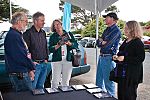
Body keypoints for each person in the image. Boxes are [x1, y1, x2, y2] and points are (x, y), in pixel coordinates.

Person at [112, 21, 145, 100]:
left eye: (127, 28)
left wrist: (125, 58)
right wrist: (116, 58)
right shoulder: (126, 41)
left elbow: (140, 58)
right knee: (121, 95)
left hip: (131, 75)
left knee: (129, 96)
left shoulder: (138, 42)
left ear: (133, 29)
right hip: (122, 74)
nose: (125, 30)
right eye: (125, 28)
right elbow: (122, 54)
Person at [4, 12, 35, 92]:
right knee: (27, 96)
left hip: (20, 72)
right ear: (19, 22)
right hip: (19, 73)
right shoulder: (13, 36)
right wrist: (31, 67)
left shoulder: (15, 34)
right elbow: (21, 56)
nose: (26, 24)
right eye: (25, 21)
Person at [96, 12, 121, 96]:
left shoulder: (116, 31)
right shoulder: (106, 29)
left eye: (106, 17)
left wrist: (102, 42)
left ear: (112, 19)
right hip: (102, 57)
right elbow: (98, 43)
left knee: (108, 83)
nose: (105, 19)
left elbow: (108, 45)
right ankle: (99, 96)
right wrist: (101, 42)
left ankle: (111, 97)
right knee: (98, 81)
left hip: (108, 58)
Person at [49, 19, 78, 88]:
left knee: (66, 81)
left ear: (61, 24)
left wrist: (69, 43)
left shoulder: (69, 34)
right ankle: (54, 96)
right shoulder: (53, 36)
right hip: (56, 60)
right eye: (55, 25)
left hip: (68, 60)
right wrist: (58, 45)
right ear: (54, 27)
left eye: (58, 24)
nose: (57, 26)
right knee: (55, 81)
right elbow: (50, 49)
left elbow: (76, 45)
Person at [23, 12, 49, 89]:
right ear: (35, 21)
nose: (44, 22)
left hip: (44, 64)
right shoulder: (27, 33)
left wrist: (46, 59)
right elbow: (25, 51)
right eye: (42, 20)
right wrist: (31, 63)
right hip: (34, 66)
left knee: (40, 87)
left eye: (44, 20)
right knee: (32, 88)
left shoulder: (43, 32)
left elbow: (45, 47)